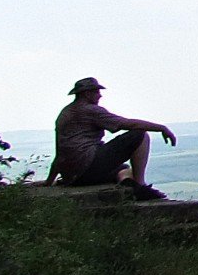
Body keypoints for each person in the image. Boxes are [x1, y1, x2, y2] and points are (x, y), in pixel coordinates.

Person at [43, 77, 176, 196]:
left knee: (124, 169)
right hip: (88, 166)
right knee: (139, 135)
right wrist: (161, 128)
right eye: (96, 92)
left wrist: (49, 181)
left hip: (73, 176)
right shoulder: (90, 110)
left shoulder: (64, 113)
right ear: (86, 93)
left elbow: (61, 151)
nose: (100, 96)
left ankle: (128, 183)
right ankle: (141, 187)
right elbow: (126, 123)